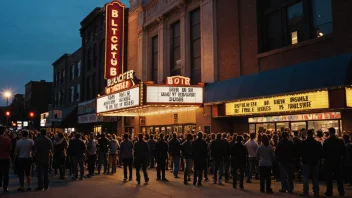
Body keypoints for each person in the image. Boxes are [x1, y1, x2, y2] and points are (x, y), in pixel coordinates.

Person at [323, 127, 345, 196]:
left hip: (329, 161)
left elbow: (324, 152)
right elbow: (343, 151)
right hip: (337, 160)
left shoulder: (327, 141)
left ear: (329, 132)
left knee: (329, 178)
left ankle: (329, 191)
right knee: (339, 177)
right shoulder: (339, 141)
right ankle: (341, 191)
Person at [299, 129, 322, 197]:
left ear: (307, 134)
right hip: (314, 162)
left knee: (305, 177)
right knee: (315, 177)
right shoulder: (317, 143)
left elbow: (300, 153)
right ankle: (316, 191)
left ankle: (305, 192)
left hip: (306, 162)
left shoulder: (303, 143)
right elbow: (320, 153)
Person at [0, 126, 12, 193]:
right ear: (4, 132)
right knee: (6, 174)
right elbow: (10, 149)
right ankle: (5, 188)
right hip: (5, 158)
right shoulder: (7, 139)